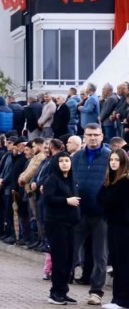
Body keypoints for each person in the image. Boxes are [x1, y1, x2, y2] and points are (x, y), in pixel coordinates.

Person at [71, 124, 111, 306]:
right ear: (84, 137)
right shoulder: (77, 156)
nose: (93, 138)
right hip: (78, 212)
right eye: (89, 135)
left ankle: (96, 292)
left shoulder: (110, 156)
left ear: (102, 136)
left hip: (101, 214)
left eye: (96, 134)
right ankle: (60, 289)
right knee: (70, 251)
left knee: (100, 255)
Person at [42, 152, 81, 305]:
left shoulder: (71, 179)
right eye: (61, 161)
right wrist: (66, 201)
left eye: (67, 161)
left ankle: (63, 291)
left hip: (70, 223)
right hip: (56, 223)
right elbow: (48, 199)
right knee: (60, 258)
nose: (65, 163)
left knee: (69, 258)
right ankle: (55, 292)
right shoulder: (52, 179)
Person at [97, 150, 129, 309]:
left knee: (123, 263)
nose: (113, 162)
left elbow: (112, 200)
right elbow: (100, 198)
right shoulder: (110, 180)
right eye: (111, 159)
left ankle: (124, 300)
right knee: (116, 262)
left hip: (124, 227)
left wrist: (108, 200)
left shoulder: (125, 182)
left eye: (117, 160)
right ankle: (117, 298)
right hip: (113, 224)